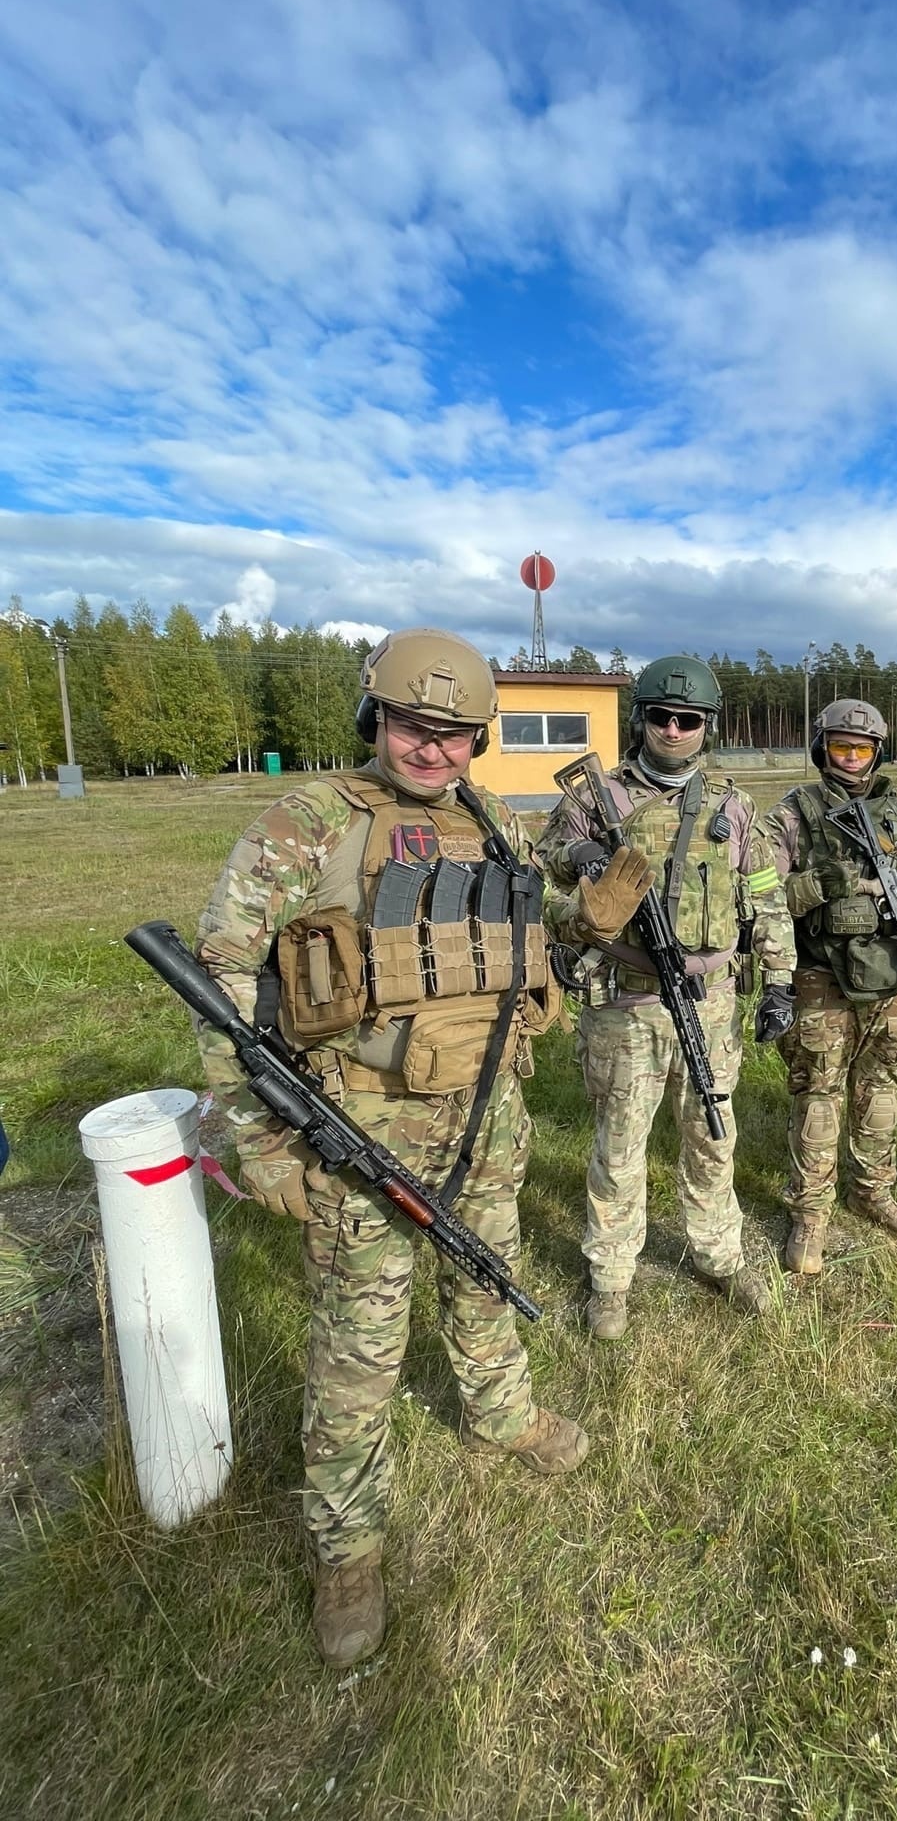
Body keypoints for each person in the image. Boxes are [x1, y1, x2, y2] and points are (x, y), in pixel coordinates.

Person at [195, 627, 587, 1671]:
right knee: (360, 1343)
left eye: (457, 735)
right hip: (362, 1126)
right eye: (416, 727)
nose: (434, 751)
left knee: (485, 1282)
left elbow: (518, 943)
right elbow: (224, 979)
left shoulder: (488, 818)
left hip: (487, 1110)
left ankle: (500, 1414)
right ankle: (348, 1545)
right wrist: (256, 1139)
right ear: (377, 718)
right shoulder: (310, 820)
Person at [538, 654, 797, 1340]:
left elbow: (765, 899)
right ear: (642, 720)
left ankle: (719, 1256)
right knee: (619, 1148)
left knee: (713, 1134)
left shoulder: (735, 808)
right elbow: (542, 863)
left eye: (688, 721)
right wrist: (584, 858)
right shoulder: (597, 799)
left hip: (710, 1003)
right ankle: (611, 1279)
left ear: (707, 727)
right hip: (626, 1000)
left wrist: (780, 981)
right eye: (662, 717)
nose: (674, 730)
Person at [764, 700, 897, 1274]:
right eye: (842, 747)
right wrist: (830, 882)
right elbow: (759, 895)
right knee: (818, 1097)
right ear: (822, 747)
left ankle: (871, 1193)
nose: (851, 759)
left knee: (880, 1091)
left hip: (893, 979)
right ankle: (810, 1215)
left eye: (863, 749)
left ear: (878, 753)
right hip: (821, 978)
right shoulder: (793, 815)